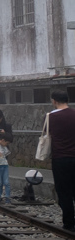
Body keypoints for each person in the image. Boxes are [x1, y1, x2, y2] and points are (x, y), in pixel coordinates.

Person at [48, 91, 75, 232]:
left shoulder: (51, 117)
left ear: (54, 101)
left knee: (64, 191)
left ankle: (69, 223)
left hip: (60, 158)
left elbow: (47, 134)